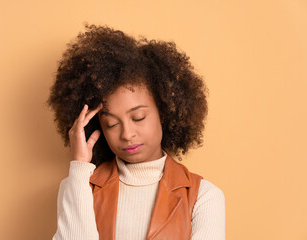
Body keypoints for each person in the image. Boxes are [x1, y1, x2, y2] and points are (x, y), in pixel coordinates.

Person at [47, 24, 225, 240]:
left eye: (138, 117)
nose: (127, 134)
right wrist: (79, 168)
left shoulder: (203, 196)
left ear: (165, 111)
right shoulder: (79, 187)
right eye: (111, 124)